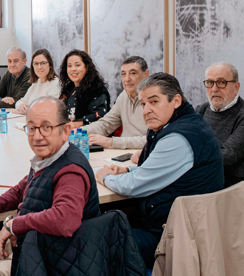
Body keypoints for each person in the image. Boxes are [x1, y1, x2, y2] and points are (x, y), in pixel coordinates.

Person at [95, 73, 224, 268]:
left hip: (173, 236)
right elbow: (161, 169)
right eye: (143, 104)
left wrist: (105, 178)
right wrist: (127, 169)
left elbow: (135, 185)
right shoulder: (177, 125)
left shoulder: (178, 138)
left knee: (94, 241)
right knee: (102, 223)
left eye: (154, 102)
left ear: (176, 101)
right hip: (177, 223)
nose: (146, 110)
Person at [0, 96, 100, 274]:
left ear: (66, 130)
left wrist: (15, 224)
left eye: (46, 127)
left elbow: (65, 219)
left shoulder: (70, 171)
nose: (37, 136)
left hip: (54, 262)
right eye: (31, 128)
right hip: (33, 251)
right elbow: (21, 190)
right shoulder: (49, 158)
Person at [82, 56, 149, 149]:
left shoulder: (154, 100)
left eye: (133, 73)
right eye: (123, 74)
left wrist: (111, 142)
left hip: (143, 154)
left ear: (146, 74)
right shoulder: (123, 96)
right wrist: (77, 132)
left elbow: (153, 139)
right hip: (122, 153)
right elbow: (105, 124)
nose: (127, 79)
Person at [196, 62, 244, 187]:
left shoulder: (242, 114)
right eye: (210, 82)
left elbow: (227, 155)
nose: (214, 89)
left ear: (236, 87)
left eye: (222, 82)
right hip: (200, 178)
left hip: (230, 188)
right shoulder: (200, 110)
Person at [59, 49, 110, 128]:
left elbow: (99, 115)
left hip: (89, 137)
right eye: (69, 66)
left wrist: (75, 124)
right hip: (69, 136)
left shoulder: (97, 89)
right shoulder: (68, 89)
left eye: (77, 65)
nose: (73, 69)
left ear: (86, 67)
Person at [14, 49, 60, 114]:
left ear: (50, 65)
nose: (39, 67)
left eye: (43, 63)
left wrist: (27, 109)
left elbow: (48, 108)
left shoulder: (55, 83)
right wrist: (22, 105)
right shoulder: (36, 83)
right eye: (36, 64)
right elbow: (19, 102)